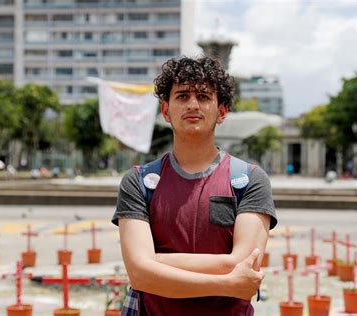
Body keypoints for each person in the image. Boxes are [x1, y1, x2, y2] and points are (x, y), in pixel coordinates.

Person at [111, 56, 277, 315]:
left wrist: (154, 262)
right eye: (182, 96)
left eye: (203, 96)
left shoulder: (250, 180)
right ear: (166, 111)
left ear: (222, 111)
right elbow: (140, 275)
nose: (193, 104)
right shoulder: (139, 181)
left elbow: (244, 264)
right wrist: (227, 283)